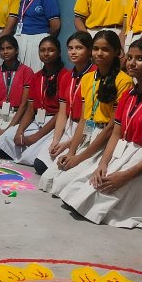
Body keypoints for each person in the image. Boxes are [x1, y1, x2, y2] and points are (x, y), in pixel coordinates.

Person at [57, 38, 142, 229]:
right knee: (72, 192)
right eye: (129, 58)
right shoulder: (129, 95)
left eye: (140, 59)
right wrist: (103, 164)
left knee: (96, 205)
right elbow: (116, 134)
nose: (132, 63)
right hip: (122, 152)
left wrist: (126, 176)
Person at [46, 31, 133, 195]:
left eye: (105, 49)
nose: (99, 53)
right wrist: (71, 152)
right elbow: (84, 119)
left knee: (64, 187)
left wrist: (79, 158)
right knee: (48, 181)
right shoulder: (88, 78)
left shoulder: (124, 81)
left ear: (117, 52)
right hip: (88, 132)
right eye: (96, 48)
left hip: (105, 138)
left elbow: (111, 127)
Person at [34, 32, 95, 179]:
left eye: (79, 48)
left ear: (89, 51)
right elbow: (62, 113)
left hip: (87, 129)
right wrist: (56, 140)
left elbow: (89, 119)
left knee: (62, 170)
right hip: (69, 126)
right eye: (70, 48)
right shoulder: (67, 76)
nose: (73, 52)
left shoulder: (95, 75)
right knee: (39, 165)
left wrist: (68, 144)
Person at [0, 37, 65, 165]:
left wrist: (36, 137)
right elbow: (30, 108)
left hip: (54, 123)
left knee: (31, 158)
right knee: (6, 137)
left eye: (50, 50)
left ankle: (32, 151)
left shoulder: (65, 75)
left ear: (59, 52)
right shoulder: (37, 76)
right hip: (37, 120)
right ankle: (29, 148)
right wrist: (20, 130)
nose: (46, 54)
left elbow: (61, 113)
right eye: (42, 50)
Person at [15, 0, 61, 71]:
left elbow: (55, 25)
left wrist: (45, 42)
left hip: (38, 40)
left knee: (35, 73)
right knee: (20, 75)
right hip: (20, 39)